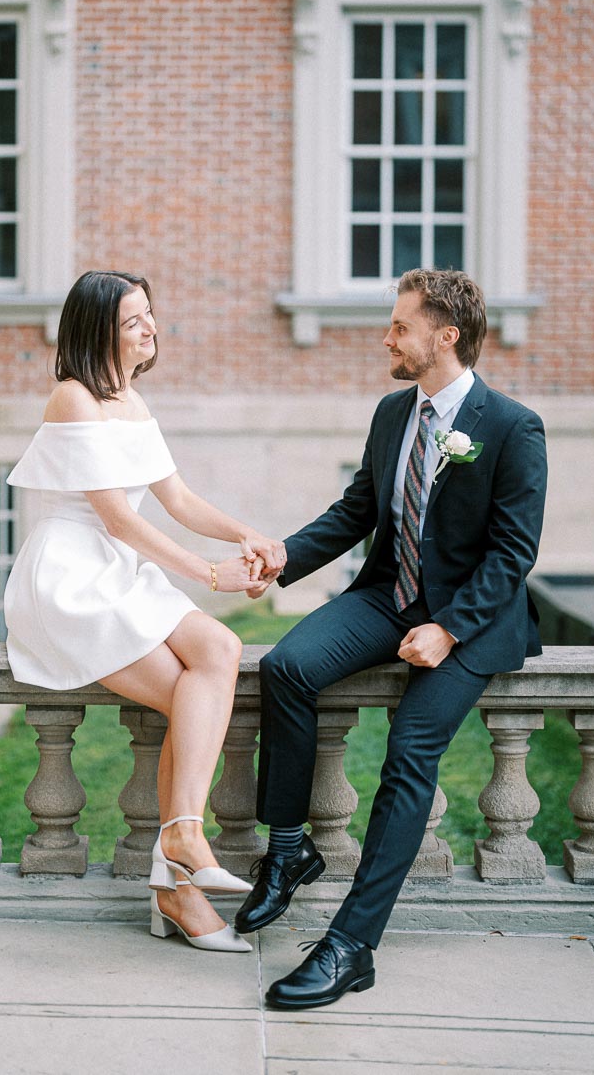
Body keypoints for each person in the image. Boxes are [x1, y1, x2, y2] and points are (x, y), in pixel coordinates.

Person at [237, 268, 547, 1009]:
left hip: (470, 618)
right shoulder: (391, 412)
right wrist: (285, 554)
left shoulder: (512, 426)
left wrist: (450, 628)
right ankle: (287, 851)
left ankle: (352, 944)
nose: (387, 338)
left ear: (446, 336)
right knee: (286, 667)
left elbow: (513, 553)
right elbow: (357, 510)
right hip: (387, 595)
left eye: (400, 327)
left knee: (410, 749)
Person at [3, 269, 286, 953]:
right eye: (135, 321)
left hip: (117, 569)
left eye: (151, 316)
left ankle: (180, 849)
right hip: (71, 575)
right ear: (99, 330)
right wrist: (206, 572)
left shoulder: (131, 399)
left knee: (218, 652)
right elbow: (117, 519)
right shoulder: (73, 399)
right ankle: (179, 872)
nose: (151, 329)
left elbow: (179, 501)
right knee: (193, 698)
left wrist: (247, 534)